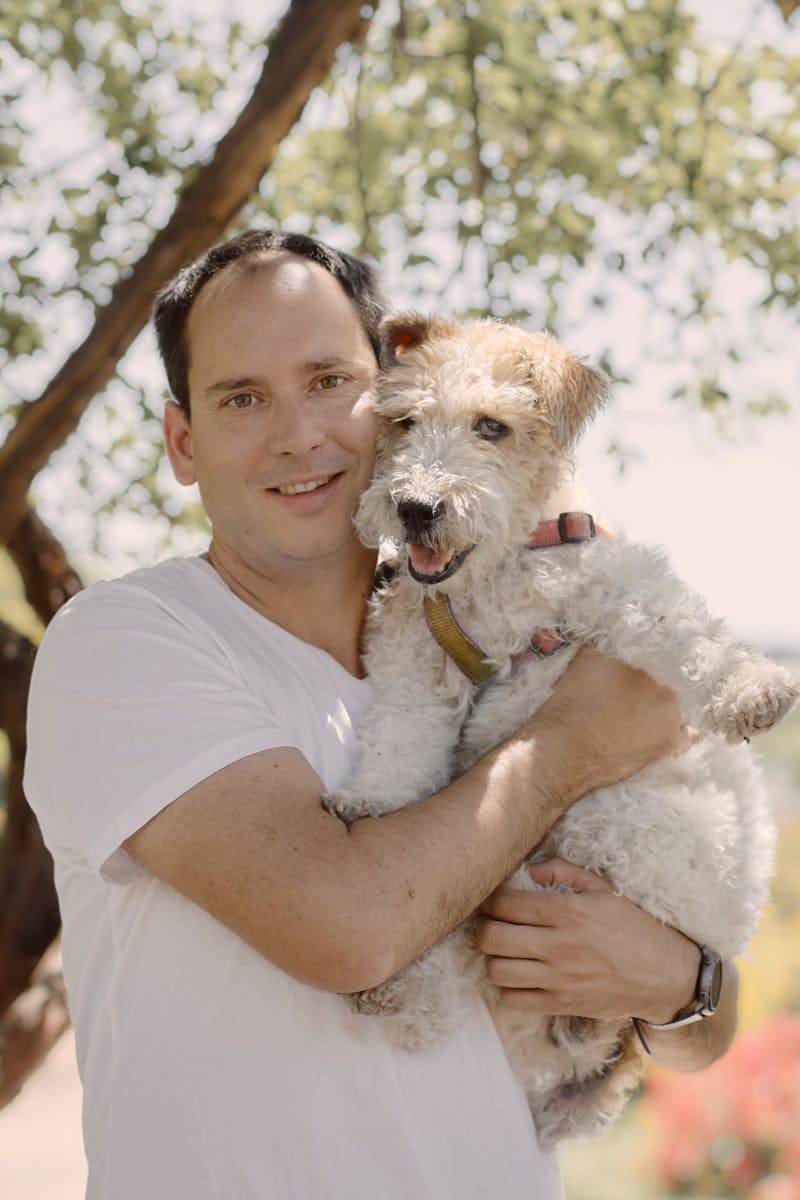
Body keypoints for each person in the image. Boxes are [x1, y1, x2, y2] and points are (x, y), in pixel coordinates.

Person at [24, 229, 738, 1200]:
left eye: (329, 381)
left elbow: (703, 1035)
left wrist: (678, 980)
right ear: (182, 443)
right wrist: (572, 742)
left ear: (398, 396)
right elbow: (350, 931)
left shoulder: (507, 634)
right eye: (242, 398)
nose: (299, 434)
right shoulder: (125, 643)